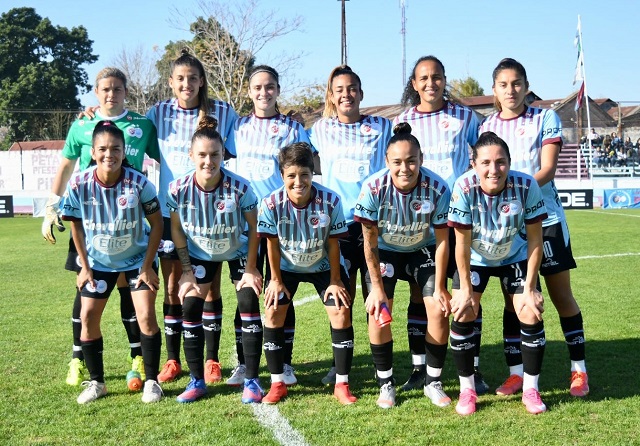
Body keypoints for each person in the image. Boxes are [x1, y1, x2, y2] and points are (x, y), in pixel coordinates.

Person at [42, 67, 160, 391]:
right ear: (97, 92)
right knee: (85, 294)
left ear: (126, 91)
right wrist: (52, 205)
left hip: (130, 221)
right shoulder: (82, 125)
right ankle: (80, 361)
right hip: (91, 220)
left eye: (117, 89)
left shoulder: (141, 125)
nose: (111, 94)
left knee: (129, 290)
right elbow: (66, 164)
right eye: (105, 89)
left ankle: (139, 358)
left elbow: (163, 162)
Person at [479, 58, 589, 398]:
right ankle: (516, 375)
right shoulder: (486, 125)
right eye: (503, 84)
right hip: (507, 226)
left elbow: (548, 169)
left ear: (526, 86)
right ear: (494, 90)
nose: (510, 90)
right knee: (515, 299)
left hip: (547, 220)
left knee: (560, 295)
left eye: (516, 83)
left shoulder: (545, 117)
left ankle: (579, 370)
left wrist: (513, 195)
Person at [393, 56, 487, 394]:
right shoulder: (402, 121)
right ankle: (421, 368)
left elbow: (481, 160)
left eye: (436, 77)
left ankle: (472, 369)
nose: (430, 83)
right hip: (420, 225)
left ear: (444, 80)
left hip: (461, 221)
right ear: (414, 84)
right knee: (421, 295)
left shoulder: (466, 117)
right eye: (423, 78)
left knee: (466, 294)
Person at [146, 50, 239, 383]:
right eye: (180, 79)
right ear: (171, 82)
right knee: (173, 288)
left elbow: (247, 139)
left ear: (202, 82)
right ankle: (172, 360)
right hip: (172, 213)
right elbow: (125, 131)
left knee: (210, 287)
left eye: (193, 78)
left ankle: (212, 359)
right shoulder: (157, 113)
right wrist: (94, 113)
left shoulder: (223, 112)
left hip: (212, 213)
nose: (187, 84)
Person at [60, 121, 163, 404]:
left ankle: (152, 381)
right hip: (98, 264)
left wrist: (146, 266)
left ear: (123, 151)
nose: (110, 154)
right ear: (93, 152)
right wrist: (84, 266)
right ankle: (97, 383)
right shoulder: (79, 183)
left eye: (115, 148)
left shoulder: (139, 182)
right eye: (103, 149)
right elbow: (76, 226)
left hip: (136, 262)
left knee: (145, 316)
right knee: (88, 316)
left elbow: (157, 225)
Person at [448, 131, 548, 415]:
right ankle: (467, 390)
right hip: (476, 258)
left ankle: (531, 389)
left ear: (509, 162)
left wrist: (530, 287)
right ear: (475, 164)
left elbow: (535, 241)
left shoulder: (526, 185)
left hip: (514, 255)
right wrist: (465, 288)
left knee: (529, 310)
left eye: (501, 162)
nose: (494, 170)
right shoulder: (463, 187)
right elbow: (462, 245)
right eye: (487, 163)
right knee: (464, 311)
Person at [224, 65, 311, 387]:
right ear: (249, 91)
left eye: (270, 86)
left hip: (283, 226)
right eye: (258, 87)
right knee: (245, 296)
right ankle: (244, 365)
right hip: (243, 226)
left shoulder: (293, 128)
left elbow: (306, 167)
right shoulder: (237, 127)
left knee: (282, 294)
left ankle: (284, 363)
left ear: (278, 89)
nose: (264, 92)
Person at [354, 123, 451, 409]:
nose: (404, 168)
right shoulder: (373, 188)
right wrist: (376, 288)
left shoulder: (438, 187)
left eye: (411, 160)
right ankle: (386, 383)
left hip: (424, 248)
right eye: (397, 162)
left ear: (421, 159)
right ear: (387, 162)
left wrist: (443, 285)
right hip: (385, 252)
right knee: (379, 311)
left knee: (437, 307)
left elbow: (444, 241)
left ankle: (432, 380)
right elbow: (369, 243)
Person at [168, 116, 264, 403]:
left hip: (237, 252)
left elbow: (254, 228)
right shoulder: (177, 189)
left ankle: (252, 379)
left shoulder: (241, 187)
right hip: (199, 254)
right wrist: (186, 270)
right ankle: (197, 380)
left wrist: (250, 269)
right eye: (202, 155)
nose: (208, 161)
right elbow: (176, 229)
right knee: (190, 305)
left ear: (224, 155)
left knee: (248, 301)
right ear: (191, 156)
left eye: (215, 155)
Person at [308, 64, 392, 385]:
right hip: (337, 230)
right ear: (331, 95)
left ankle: (380, 366)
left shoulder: (382, 126)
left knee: (377, 300)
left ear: (361, 93)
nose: (347, 94)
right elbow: (295, 154)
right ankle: (340, 365)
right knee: (342, 302)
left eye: (352, 88)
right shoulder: (319, 129)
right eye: (339, 90)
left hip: (373, 228)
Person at [256, 142, 357, 405]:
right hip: (286, 267)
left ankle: (342, 384)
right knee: (273, 310)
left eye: (304, 175)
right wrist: (275, 280)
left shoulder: (331, 200)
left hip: (323, 266)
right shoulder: (270, 203)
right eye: (291, 175)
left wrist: (335, 281)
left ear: (313, 174)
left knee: (340, 309)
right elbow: (272, 244)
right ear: (282, 176)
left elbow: (334, 243)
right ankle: (277, 383)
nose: (298, 181)